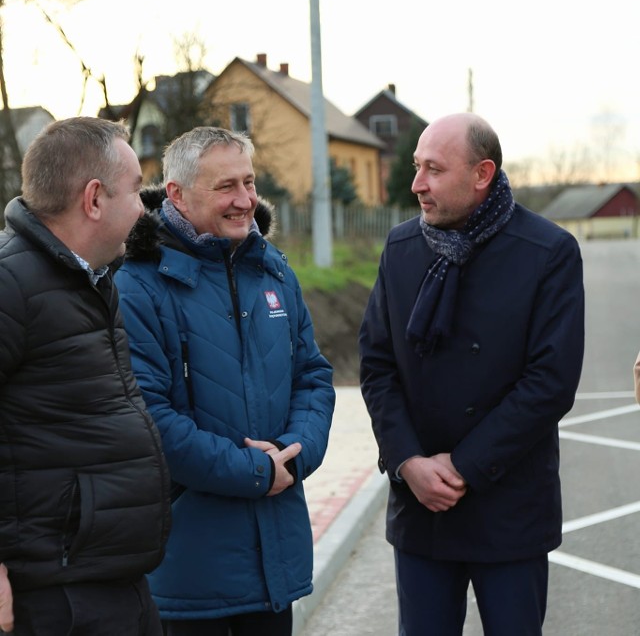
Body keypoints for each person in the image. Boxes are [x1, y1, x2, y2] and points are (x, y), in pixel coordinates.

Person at [359, 113, 585, 636]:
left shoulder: (548, 252)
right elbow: (376, 364)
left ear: (482, 174)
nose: (417, 184)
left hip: (507, 510)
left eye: (433, 170)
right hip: (422, 512)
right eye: (417, 168)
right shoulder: (400, 249)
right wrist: (408, 462)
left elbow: (549, 383)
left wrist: (464, 466)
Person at [113, 126, 335, 635]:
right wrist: (256, 471)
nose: (245, 201)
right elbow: (149, 419)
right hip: (188, 572)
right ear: (177, 194)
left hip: (275, 561)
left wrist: (291, 452)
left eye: (250, 182)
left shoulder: (273, 269)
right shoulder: (138, 284)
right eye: (226, 187)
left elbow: (314, 377)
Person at [0, 116, 172, 635]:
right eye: (136, 190)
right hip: (57, 599)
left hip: (112, 581)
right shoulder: (12, 285)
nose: (145, 209)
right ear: (94, 199)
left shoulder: (95, 281)